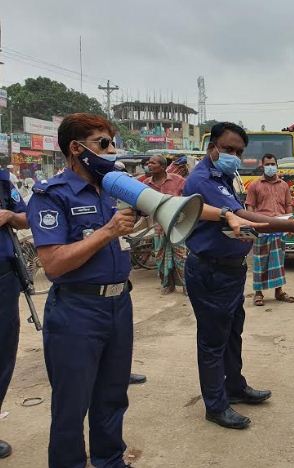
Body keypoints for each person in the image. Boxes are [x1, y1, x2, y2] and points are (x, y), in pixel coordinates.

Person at [183, 122, 294, 430]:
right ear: (212, 147)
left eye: (239, 152)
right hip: (211, 270)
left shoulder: (227, 177)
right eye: (228, 149)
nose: (233, 156)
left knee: (232, 333)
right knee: (213, 340)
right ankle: (216, 405)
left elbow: (233, 221)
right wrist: (291, 225)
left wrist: (244, 233)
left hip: (229, 269)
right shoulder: (204, 179)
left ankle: (235, 387)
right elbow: (241, 215)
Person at [26, 113, 138, 468]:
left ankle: (110, 460)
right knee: (72, 402)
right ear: (76, 148)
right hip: (77, 310)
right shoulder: (52, 195)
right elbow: (54, 264)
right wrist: (107, 231)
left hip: (119, 303)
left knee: (112, 395)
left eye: (112, 143)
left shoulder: (112, 189)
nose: (111, 150)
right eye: (103, 143)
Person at [0, 168, 29, 460]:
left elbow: (27, 218)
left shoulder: (2, 181)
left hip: (3, 281)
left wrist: (9, 216)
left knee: (3, 355)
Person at [245, 153, 294, 306]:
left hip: (280, 227)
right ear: (262, 166)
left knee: (278, 262)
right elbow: (250, 206)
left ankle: (279, 291)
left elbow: (288, 205)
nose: (270, 167)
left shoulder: (284, 185)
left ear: (276, 165)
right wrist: (253, 224)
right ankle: (258, 293)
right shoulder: (254, 185)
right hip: (262, 229)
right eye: (267, 164)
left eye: (273, 164)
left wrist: (291, 225)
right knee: (261, 261)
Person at [143, 154, 187, 295]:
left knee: (181, 256)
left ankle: (186, 285)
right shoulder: (146, 185)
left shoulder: (178, 181)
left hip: (177, 226)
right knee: (160, 256)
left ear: (162, 166)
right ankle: (167, 284)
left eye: (153, 163)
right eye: (149, 163)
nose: (149, 165)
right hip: (159, 226)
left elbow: (188, 201)